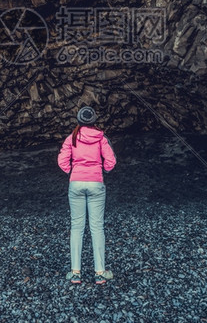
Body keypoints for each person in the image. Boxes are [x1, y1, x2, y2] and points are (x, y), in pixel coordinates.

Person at [57, 106, 117, 285]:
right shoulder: (101, 138)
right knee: (97, 227)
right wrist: (102, 171)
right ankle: (100, 273)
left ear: (79, 120)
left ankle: (75, 273)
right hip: (96, 182)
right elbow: (111, 161)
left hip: (76, 183)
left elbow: (61, 160)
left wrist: (72, 172)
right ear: (94, 121)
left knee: (77, 227)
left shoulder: (72, 138)